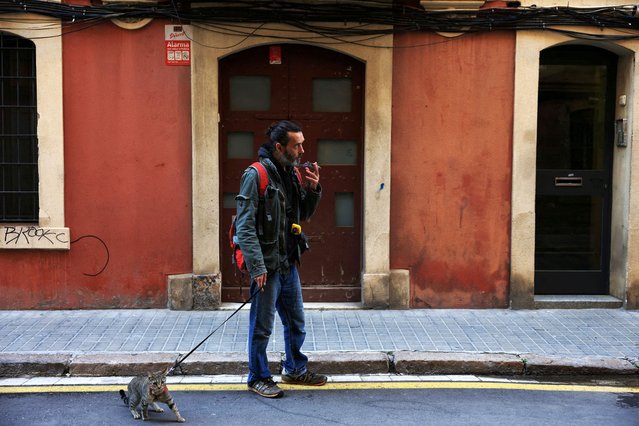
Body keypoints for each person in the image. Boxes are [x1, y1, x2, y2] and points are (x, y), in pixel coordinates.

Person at [234, 120, 326, 398]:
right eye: (296, 145)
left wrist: (313, 190)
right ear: (279, 147)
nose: (302, 150)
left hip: (287, 262)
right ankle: (258, 376)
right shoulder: (256, 175)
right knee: (262, 327)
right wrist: (257, 266)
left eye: (302, 144)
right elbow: (244, 226)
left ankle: (295, 368)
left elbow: (302, 216)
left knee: (296, 321)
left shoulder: (292, 174)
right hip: (267, 266)